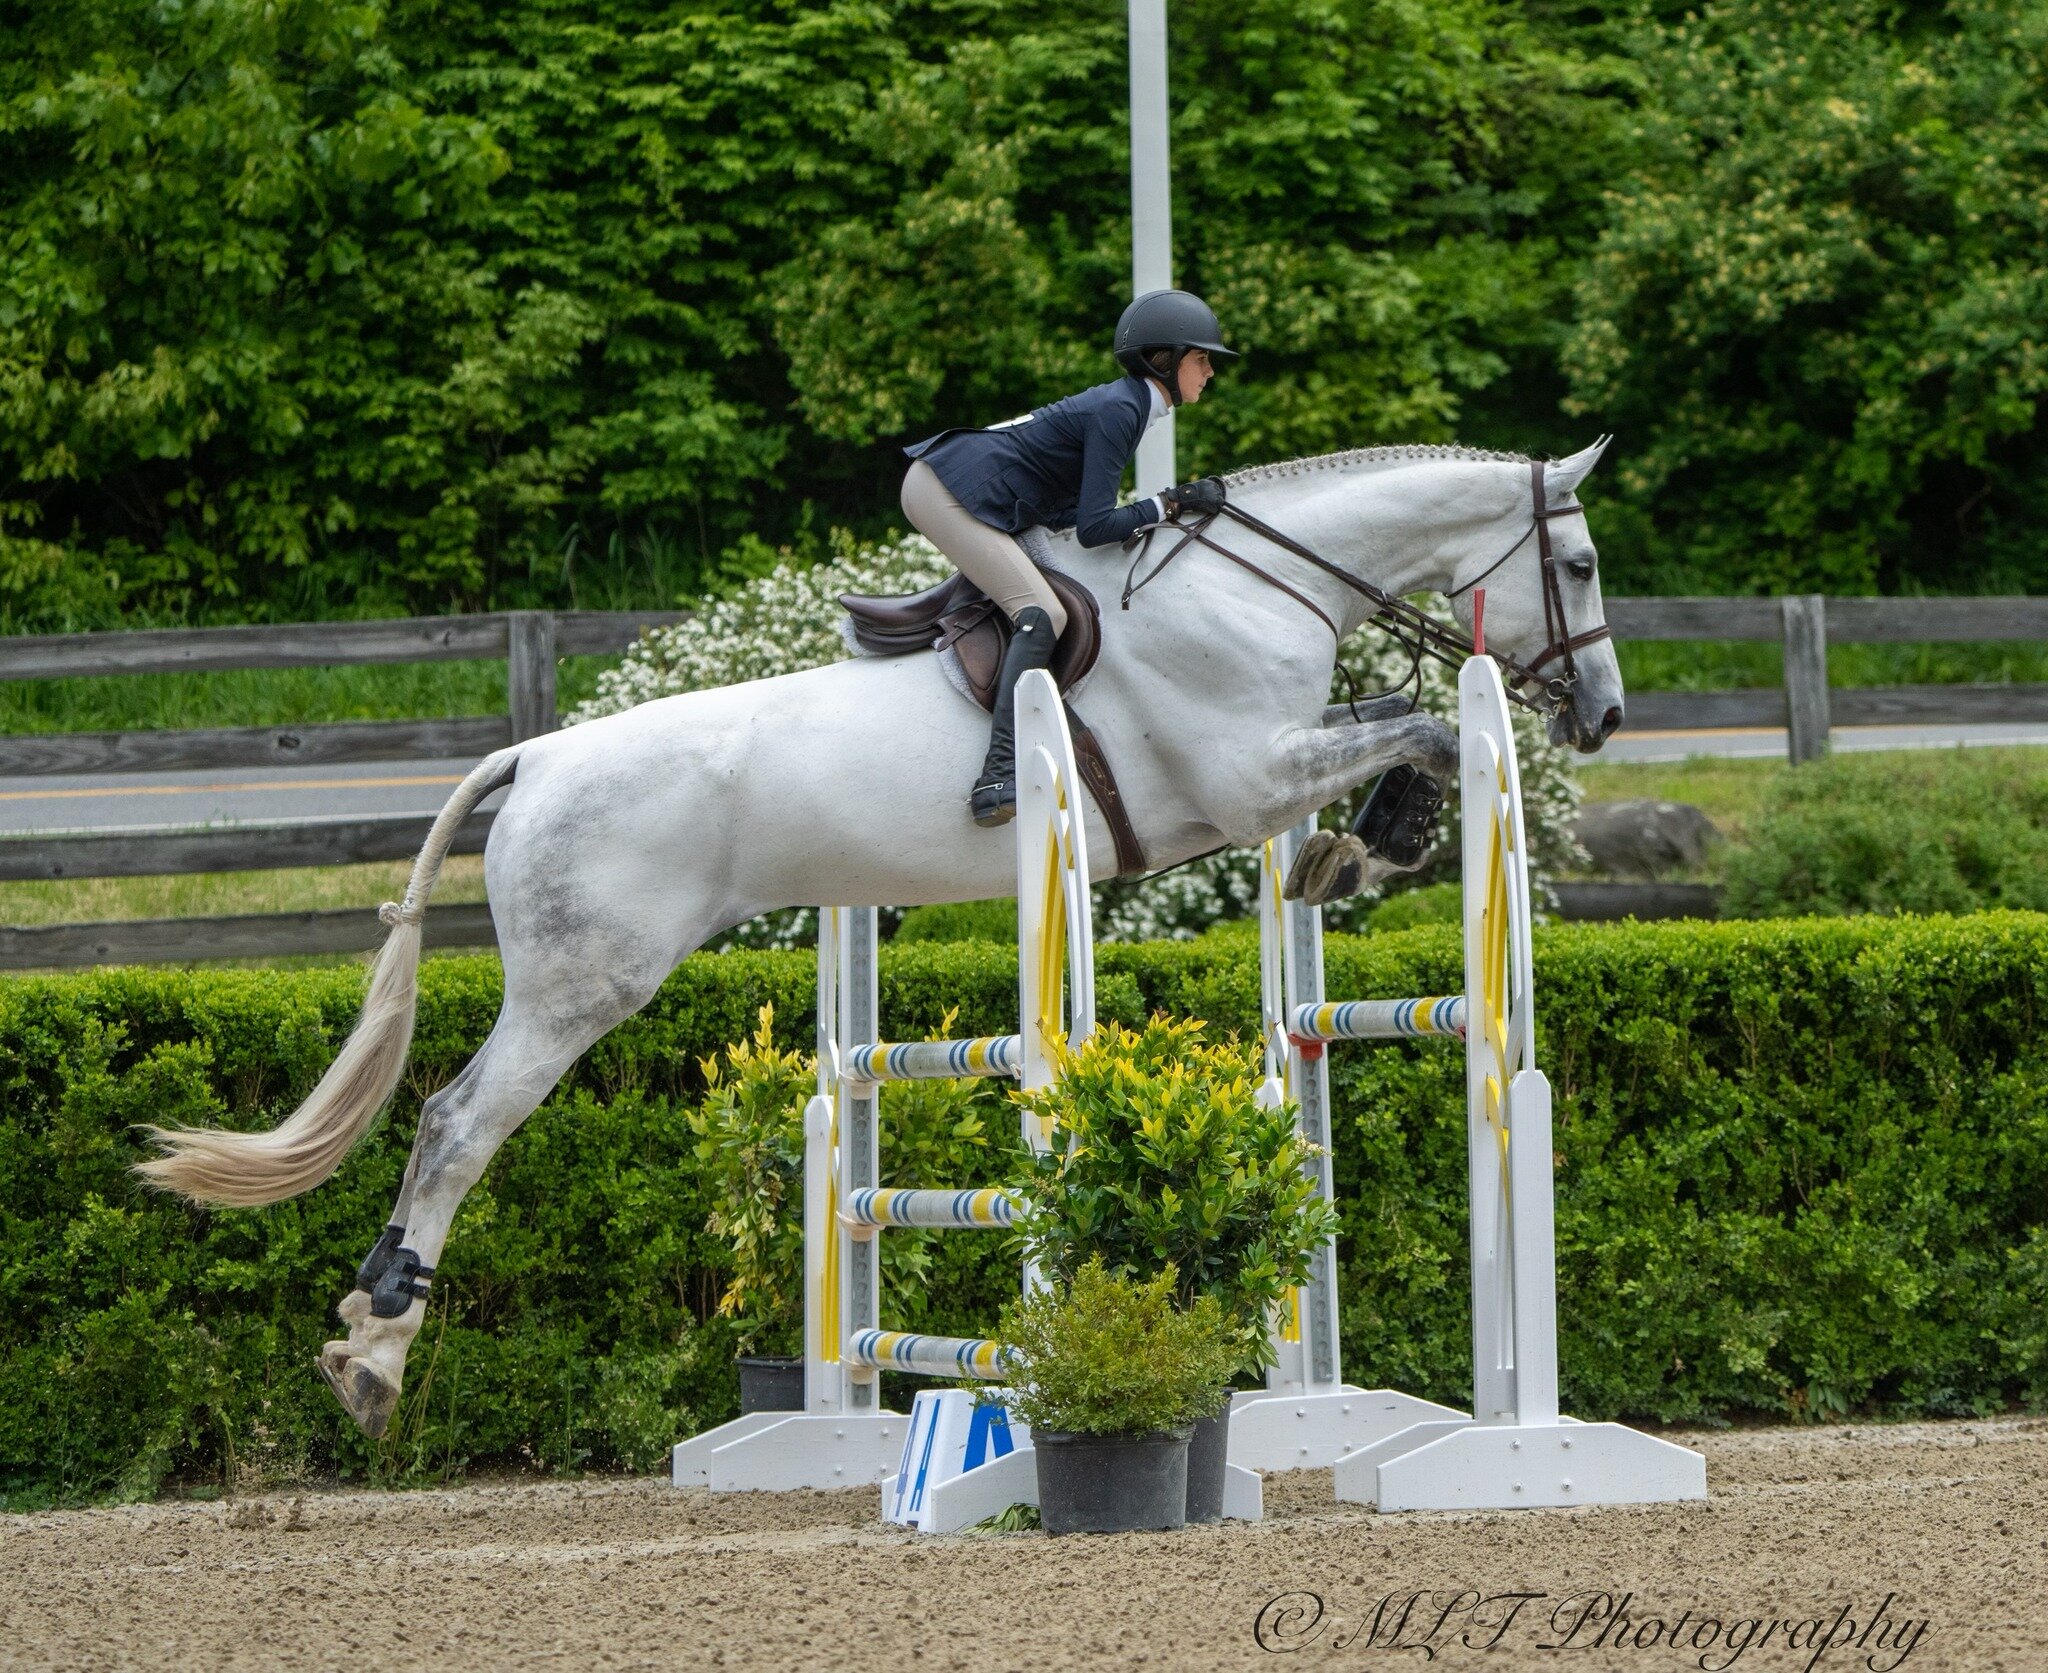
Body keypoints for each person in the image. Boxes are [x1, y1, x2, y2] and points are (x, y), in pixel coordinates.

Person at [901, 289, 1238, 827]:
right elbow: (1095, 528)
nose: (1210, 372)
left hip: (966, 486)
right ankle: (997, 773)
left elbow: (1081, 519)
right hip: (945, 488)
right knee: (1043, 615)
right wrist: (1171, 502)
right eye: (1202, 359)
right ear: (1166, 361)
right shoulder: (1120, 409)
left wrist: (1158, 509)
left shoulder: (1127, 405)